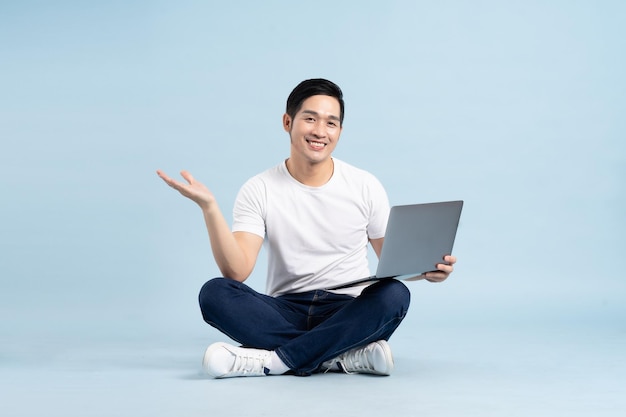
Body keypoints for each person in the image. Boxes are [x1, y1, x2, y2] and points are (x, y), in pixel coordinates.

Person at [156, 78, 456, 378]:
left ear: (339, 131)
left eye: (331, 123)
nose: (319, 131)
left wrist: (427, 270)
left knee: (395, 294)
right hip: (284, 309)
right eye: (310, 119)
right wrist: (209, 208)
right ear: (288, 122)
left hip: (348, 309)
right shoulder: (258, 188)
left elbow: (393, 261)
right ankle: (340, 357)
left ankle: (273, 362)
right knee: (214, 294)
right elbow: (237, 272)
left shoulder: (365, 185)